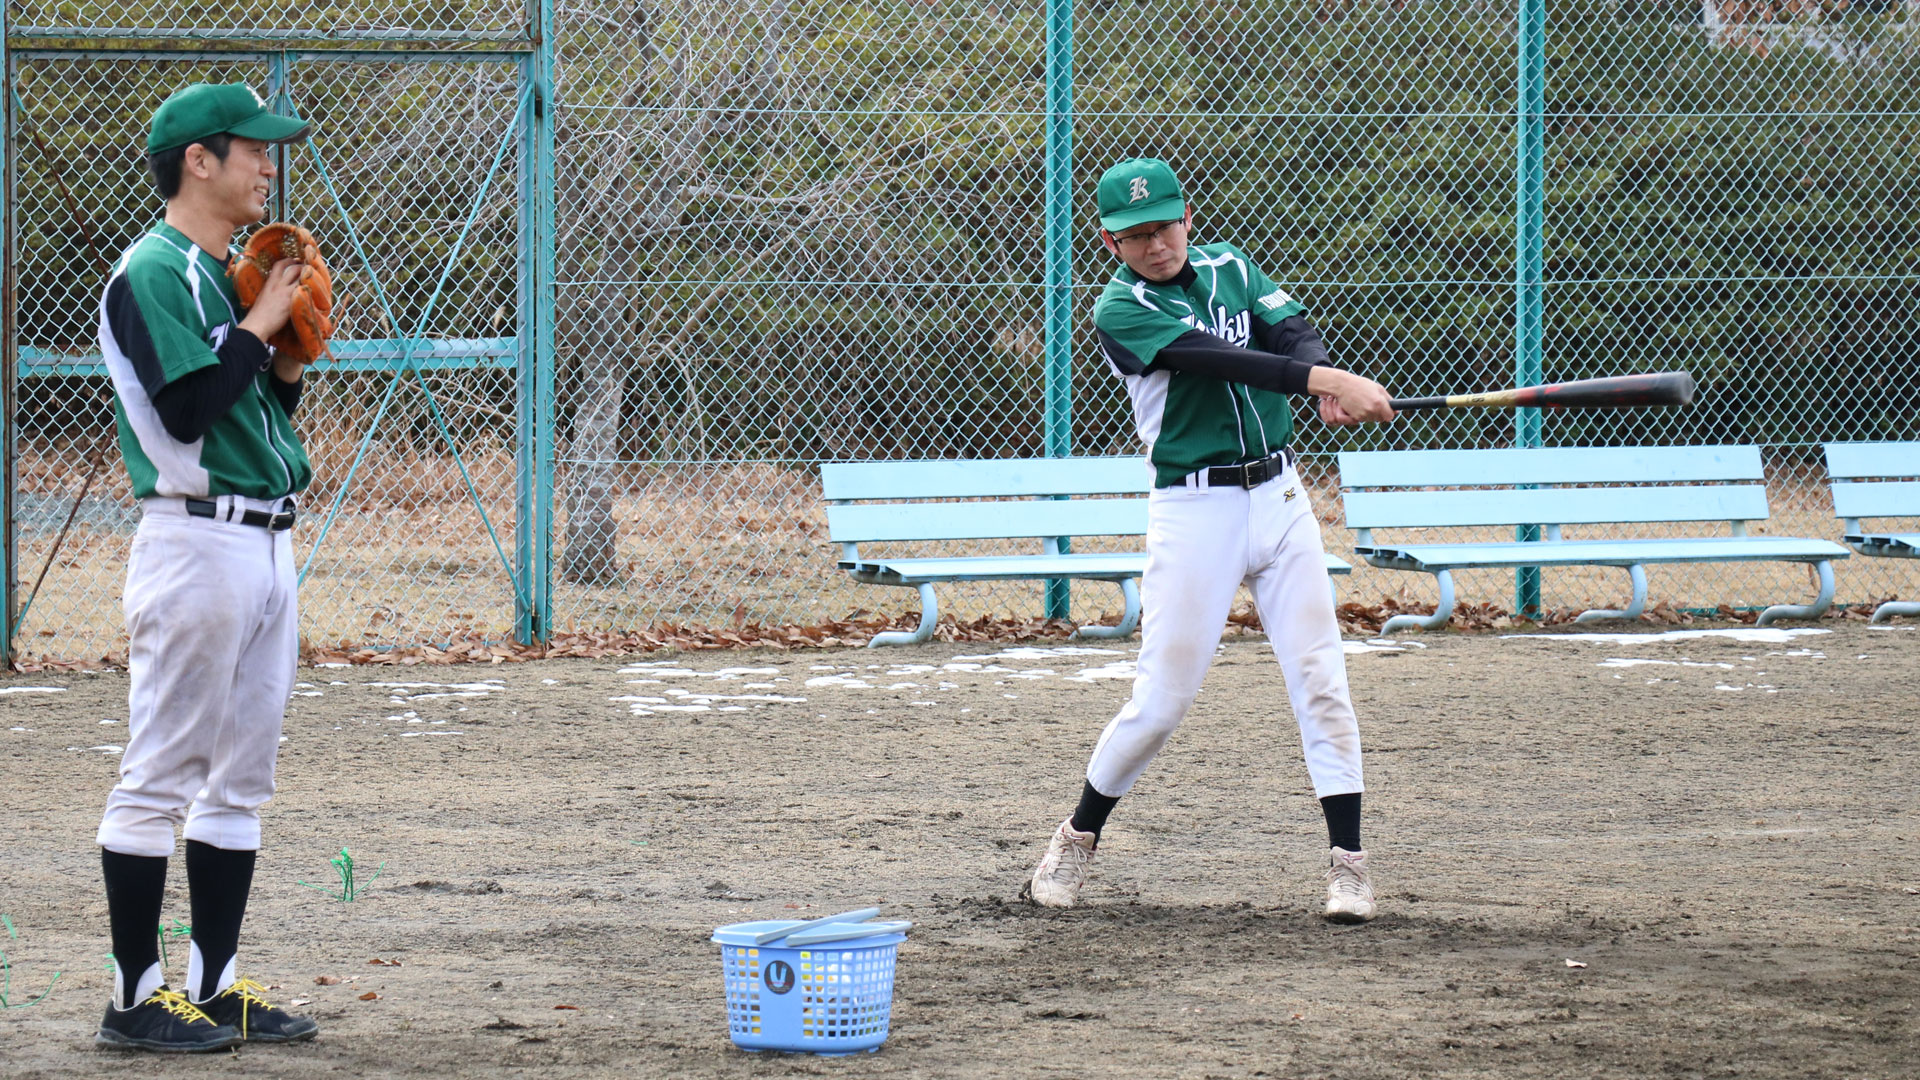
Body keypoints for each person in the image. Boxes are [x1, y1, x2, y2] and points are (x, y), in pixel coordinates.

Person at [1025, 157, 1396, 922]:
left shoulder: (1230, 265)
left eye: (1163, 226)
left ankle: (1349, 866)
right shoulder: (1119, 308)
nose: (1155, 244)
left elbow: (1288, 331)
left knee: (1322, 681)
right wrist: (1329, 384)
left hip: (1282, 496)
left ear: (1185, 216)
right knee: (1161, 703)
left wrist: (1320, 370)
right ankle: (1077, 834)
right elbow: (1217, 359)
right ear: (1110, 242)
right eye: (1135, 236)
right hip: (1196, 513)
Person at [93, 81, 321, 1052]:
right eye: (253, 150)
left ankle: (214, 982)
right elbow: (187, 411)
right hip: (195, 543)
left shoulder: (222, 273)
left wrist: (287, 363)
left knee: (240, 782)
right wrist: (264, 319)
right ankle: (134, 1000)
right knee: (161, 776)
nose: (269, 165)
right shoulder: (152, 271)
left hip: (266, 544)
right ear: (200, 161)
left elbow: (251, 418)